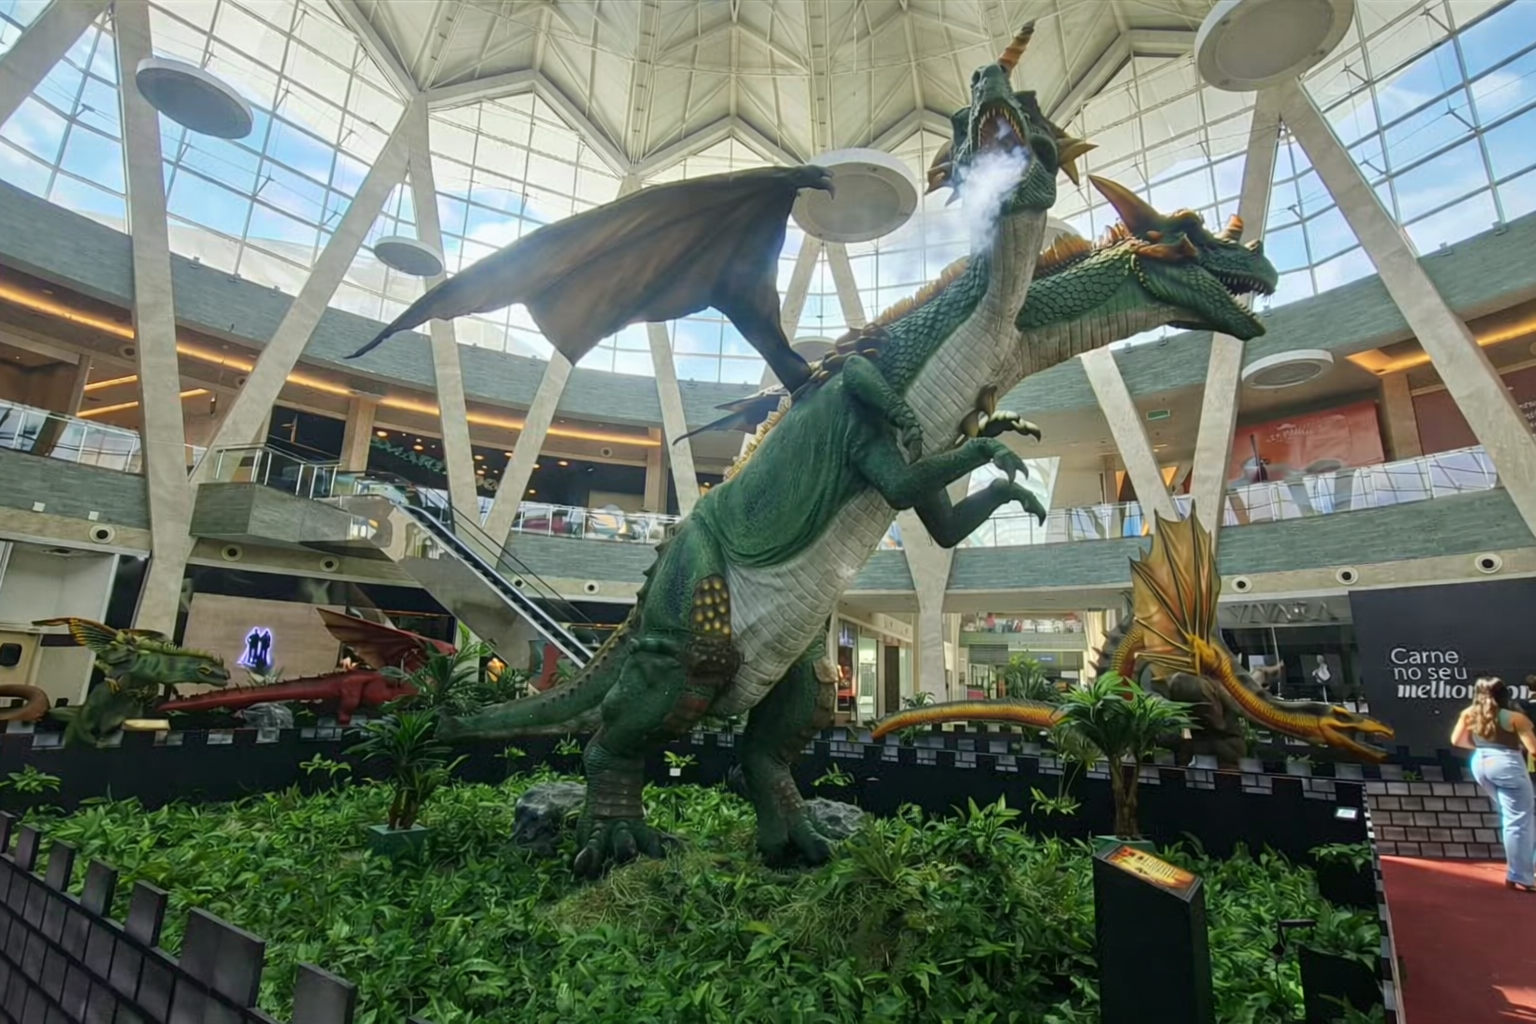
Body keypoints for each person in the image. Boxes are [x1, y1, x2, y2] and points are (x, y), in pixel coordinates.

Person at [1451, 677, 1536, 892]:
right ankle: (1521, 876)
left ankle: (1520, 871)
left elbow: (1457, 741)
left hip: (1479, 761)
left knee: (1515, 818)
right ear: (1503, 693)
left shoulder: (1468, 714)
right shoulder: (1516, 718)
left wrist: (1484, 748)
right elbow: (1533, 749)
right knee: (1518, 821)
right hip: (1508, 763)